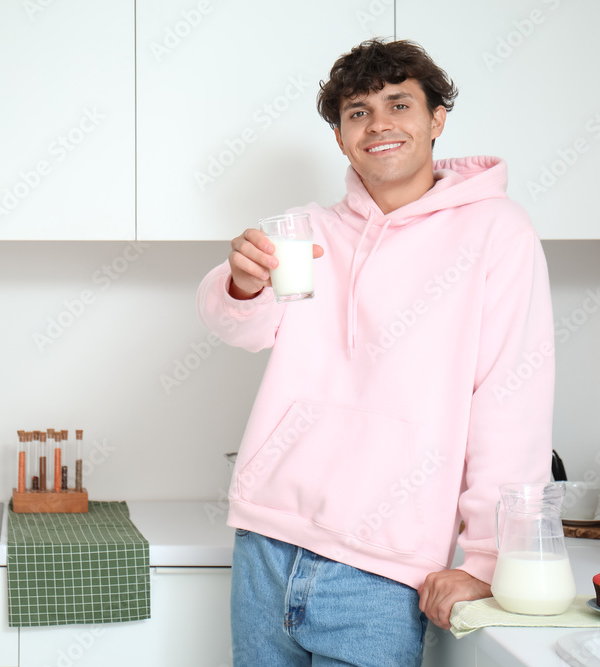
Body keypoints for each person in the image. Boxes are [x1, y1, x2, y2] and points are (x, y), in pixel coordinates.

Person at [197, 38, 554, 666]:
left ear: (437, 118)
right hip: (266, 541)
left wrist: (489, 560)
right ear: (339, 136)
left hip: (382, 569)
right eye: (358, 112)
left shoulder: (498, 232)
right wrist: (242, 283)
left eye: (399, 104)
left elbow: (510, 402)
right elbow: (241, 328)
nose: (379, 124)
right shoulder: (306, 230)